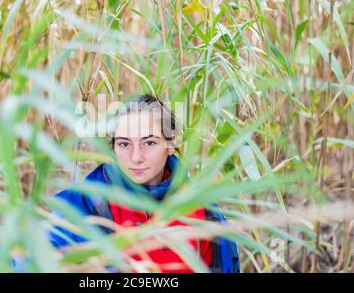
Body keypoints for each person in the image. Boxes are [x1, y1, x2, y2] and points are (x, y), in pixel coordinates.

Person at [47, 94, 240, 273]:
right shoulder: (85, 202)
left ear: (171, 144)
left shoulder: (198, 206)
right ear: (113, 147)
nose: (136, 157)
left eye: (149, 143)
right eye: (124, 144)